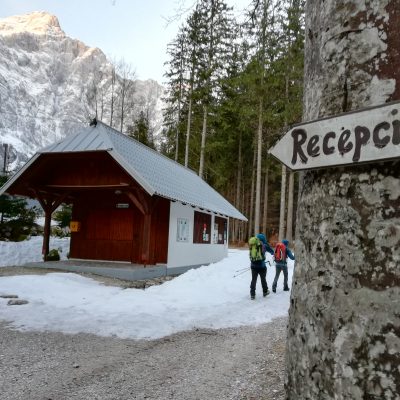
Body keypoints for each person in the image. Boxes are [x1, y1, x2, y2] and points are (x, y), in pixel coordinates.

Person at [250, 233, 274, 300]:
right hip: (262, 266)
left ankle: (252, 294)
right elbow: (272, 251)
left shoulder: (253, 244)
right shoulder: (265, 245)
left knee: (253, 279)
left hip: (253, 265)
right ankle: (265, 291)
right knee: (263, 279)